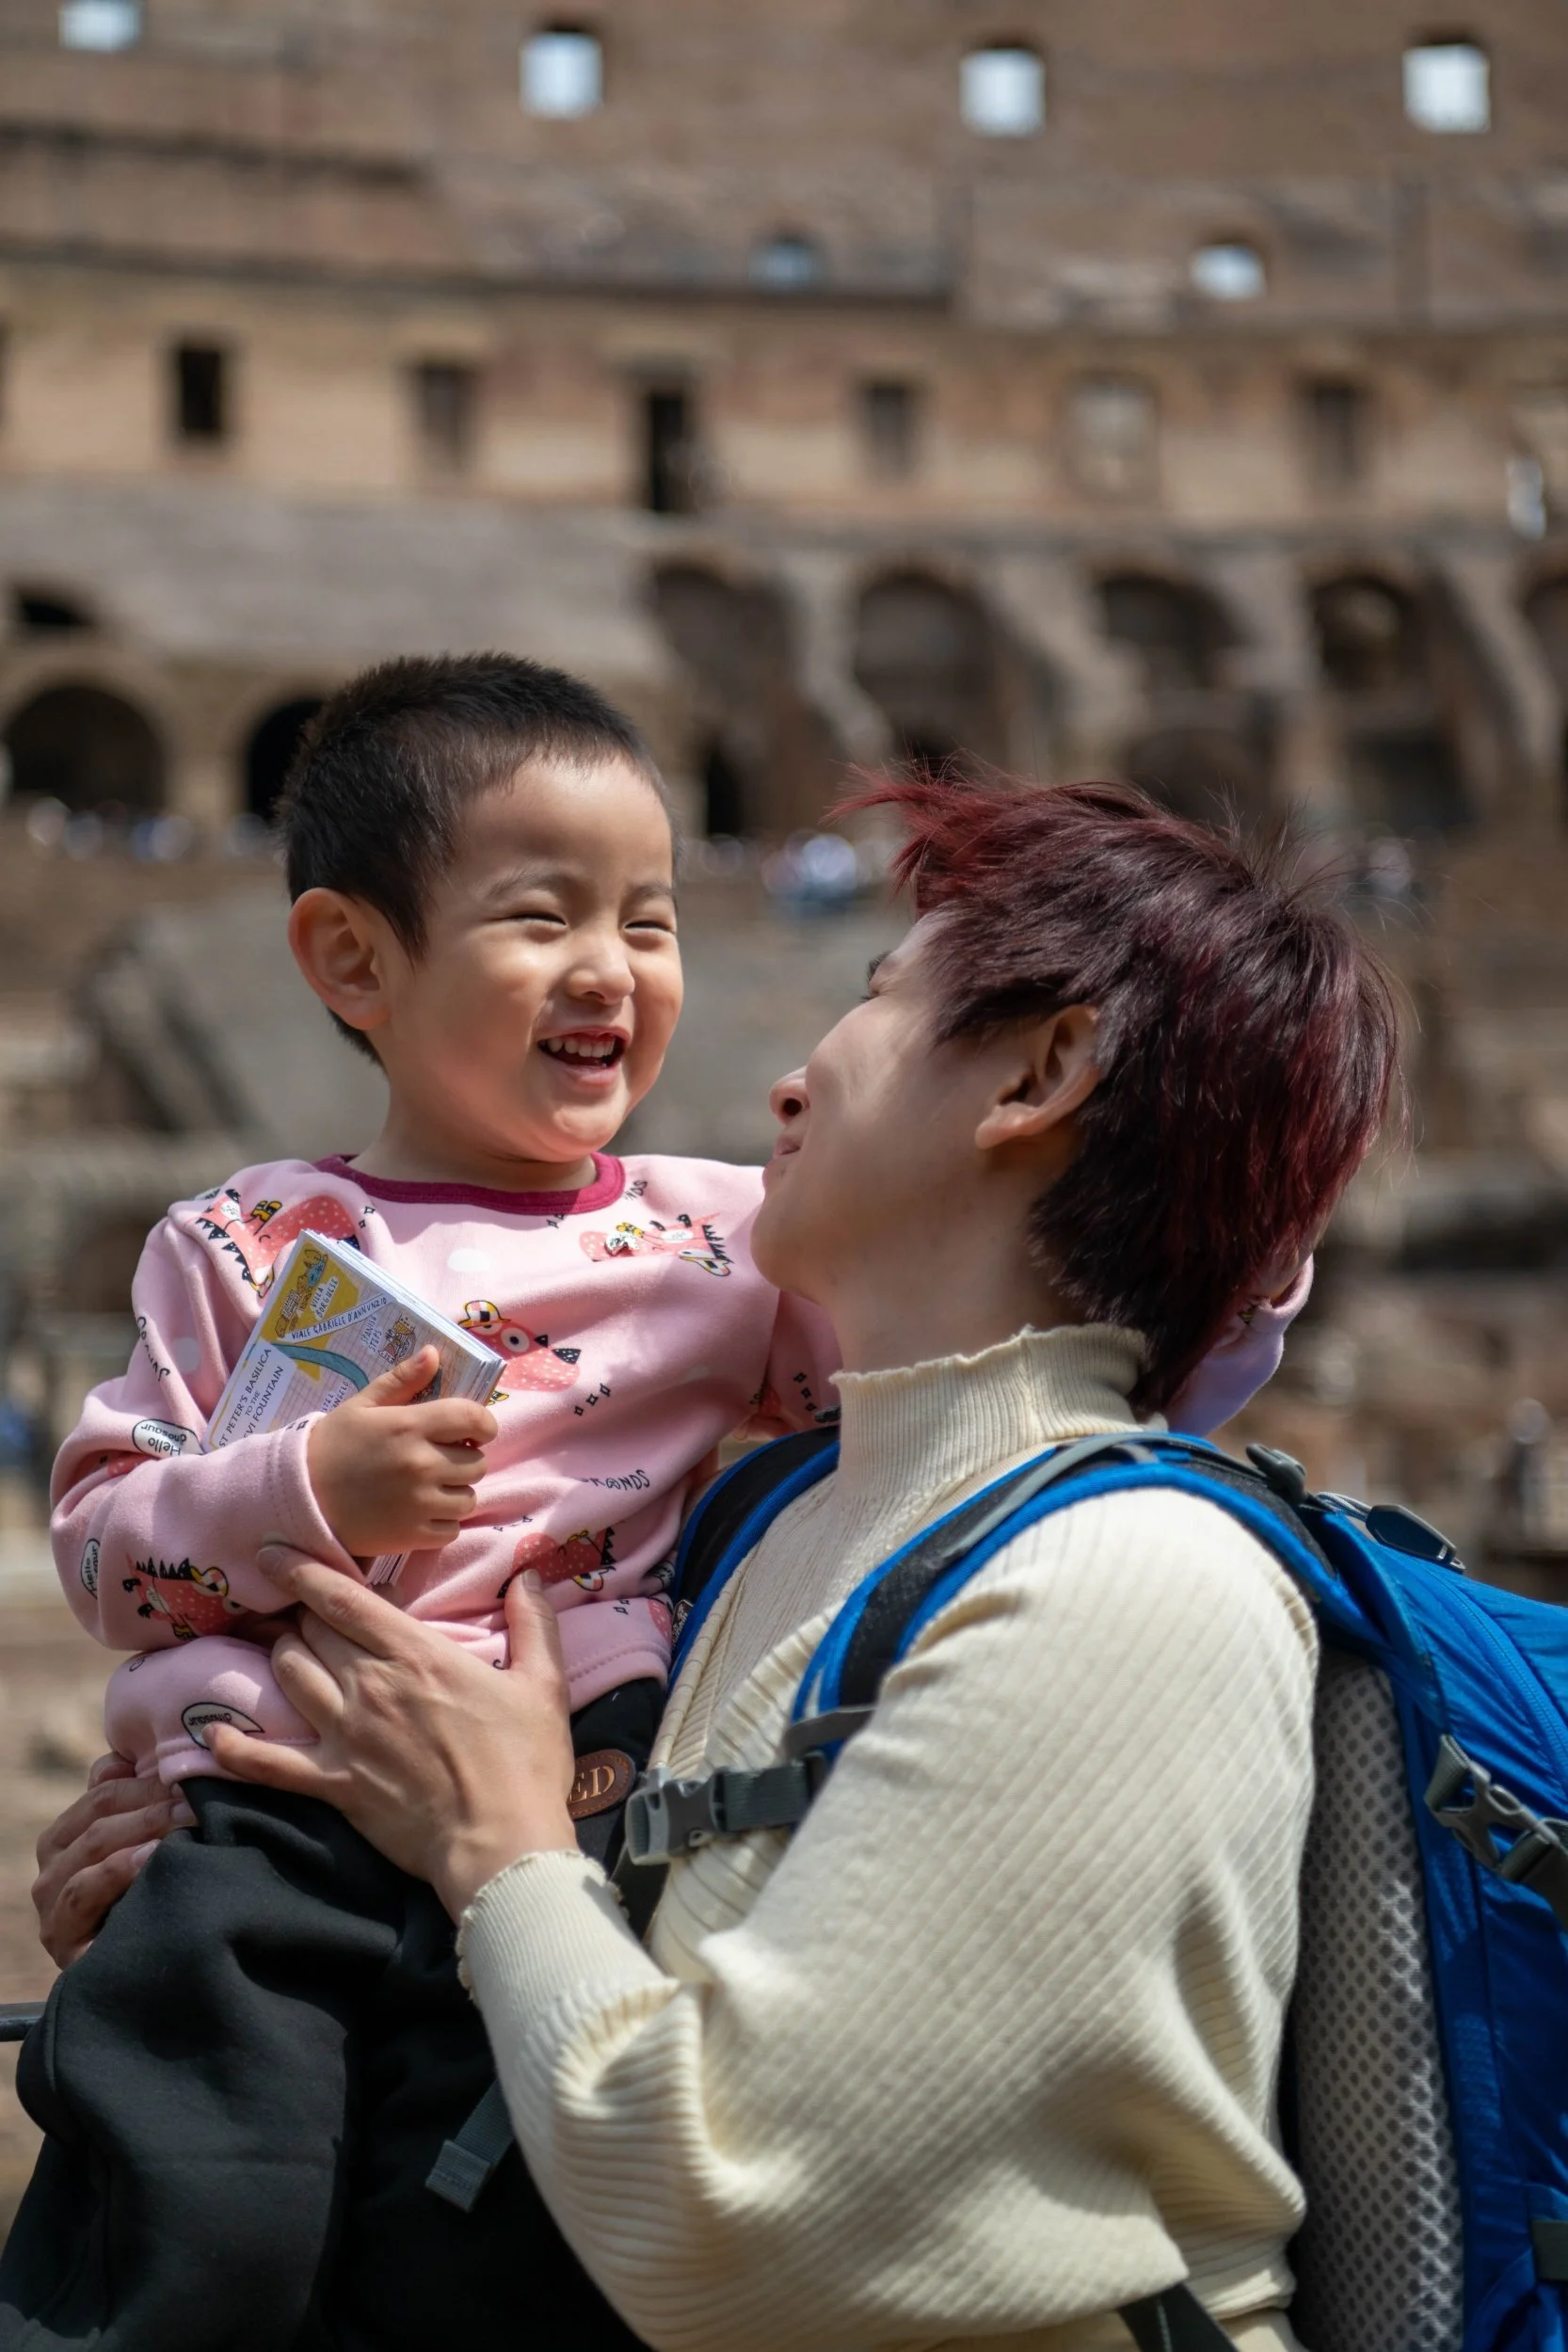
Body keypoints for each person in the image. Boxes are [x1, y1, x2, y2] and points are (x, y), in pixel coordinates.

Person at [38, 776, 1394, 2352]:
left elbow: (743, 2232)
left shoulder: (1120, 1577)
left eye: (875, 1000)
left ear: (1039, 1072)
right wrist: (224, 1869)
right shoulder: (773, 1516)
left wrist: (492, 1849)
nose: (786, 1076)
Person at [2, 652, 842, 2352]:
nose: (608, 965)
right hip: (265, 1807)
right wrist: (302, 1482)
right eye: (542, 915)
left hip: (572, 1795)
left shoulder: (725, 1239)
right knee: (202, 2214)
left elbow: (922, 1352)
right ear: (353, 959)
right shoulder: (247, 1242)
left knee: (497, 2224)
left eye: (651, 920)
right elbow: (102, 1547)